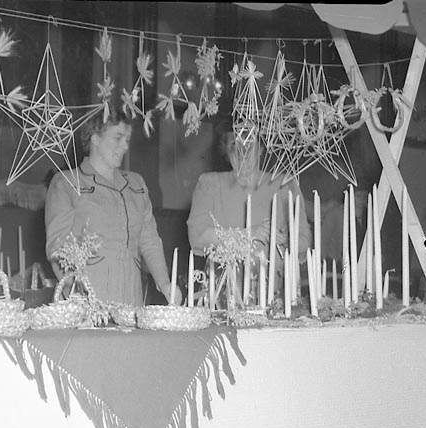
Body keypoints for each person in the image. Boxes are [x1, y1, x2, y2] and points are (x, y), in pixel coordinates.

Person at [44, 110, 179, 306]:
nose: (125, 146)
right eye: (118, 138)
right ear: (95, 137)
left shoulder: (136, 184)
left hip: (131, 300)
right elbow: (58, 250)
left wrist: (165, 284)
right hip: (88, 302)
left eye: (127, 139)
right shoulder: (66, 183)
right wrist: (77, 296)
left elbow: (150, 240)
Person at [187, 131, 312, 296]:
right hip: (223, 293)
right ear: (225, 150)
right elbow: (197, 236)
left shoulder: (285, 185)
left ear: (261, 148)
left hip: (275, 295)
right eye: (234, 144)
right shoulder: (209, 184)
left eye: (249, 143)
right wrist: (248, 234)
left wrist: (288, 240)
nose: (242, 150)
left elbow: (305, 241)